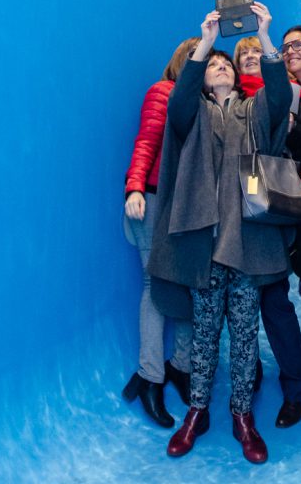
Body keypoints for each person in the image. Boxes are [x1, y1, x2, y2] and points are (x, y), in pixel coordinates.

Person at [148, 3, 292, 464]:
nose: (219, 68)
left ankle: (243, 417)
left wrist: (266, 34)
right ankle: (196, 413)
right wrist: (207, 41)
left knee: (247, 338)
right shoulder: (194, 114)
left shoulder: (253, 111)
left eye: (224, 63)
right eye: (212, 66)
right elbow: (180, 100)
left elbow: (282, 97)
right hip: (206, 247)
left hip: (247, 246)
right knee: (207, 336)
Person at [232, 35, 301, 428]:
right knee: (242, 309)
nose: (249, 59)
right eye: (242, 55)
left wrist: (265, 38)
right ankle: (250, 377)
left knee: (275, 306)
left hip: (265, 210)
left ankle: (297, 387)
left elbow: (279, 95)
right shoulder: (227, 101)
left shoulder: (278, 93)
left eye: (256, 54)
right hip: (232, 221)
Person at [121, 38, 196, 427]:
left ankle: (181, 366)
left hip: (186, 208)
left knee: (185, 285)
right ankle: (151, 377)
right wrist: (134, 187)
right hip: (151, 200)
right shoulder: (163, 91)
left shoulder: (205, 104)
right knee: (156, 285)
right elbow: (146, 140)